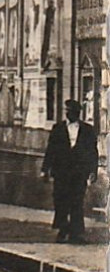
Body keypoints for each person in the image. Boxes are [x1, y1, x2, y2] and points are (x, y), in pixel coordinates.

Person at [43, 99, 98, 243]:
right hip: (61, 172)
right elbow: (51, 150)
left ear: (78, 112)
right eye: (66, 110)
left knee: (77, 202)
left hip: (79, 173)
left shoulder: (87, 130)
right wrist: (45, 169)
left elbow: (93, 152)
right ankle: (63, 228)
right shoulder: (58, 128)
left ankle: (76, 234)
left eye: (71, 110)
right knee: (60, 200)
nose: (68, 113)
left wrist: (93, 171)